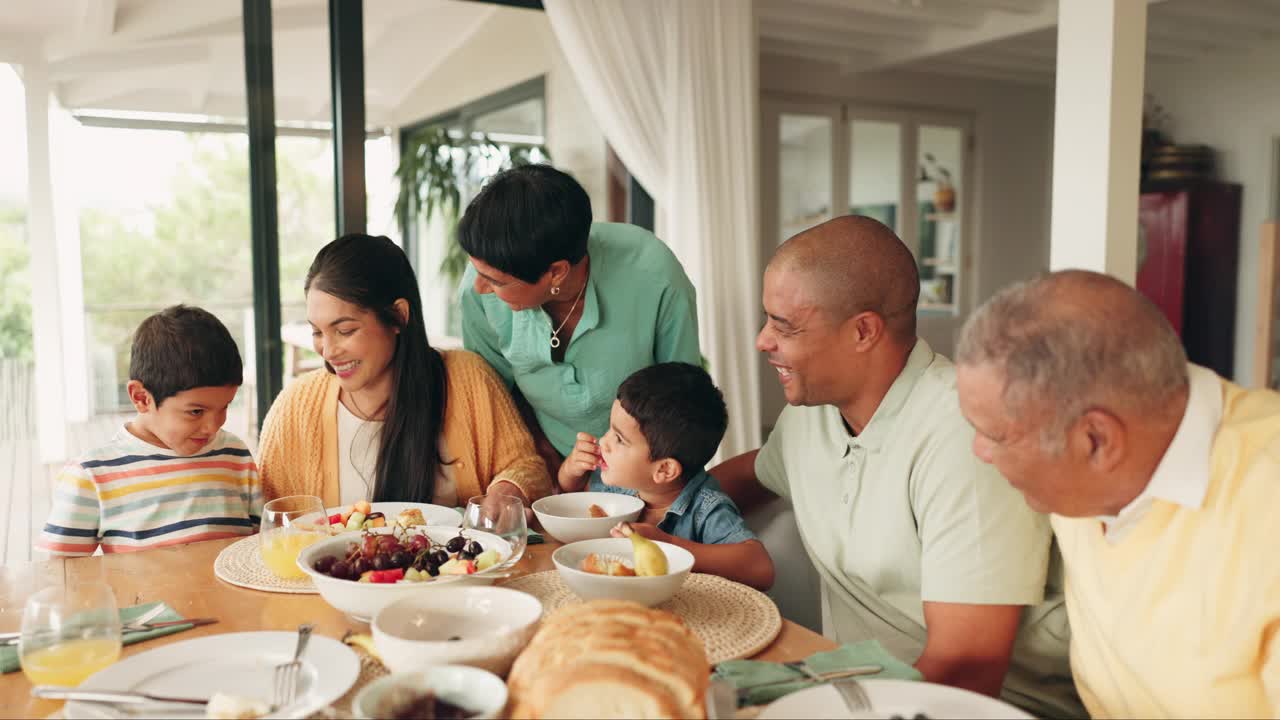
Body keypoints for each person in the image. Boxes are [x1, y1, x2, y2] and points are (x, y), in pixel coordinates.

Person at [711, 216, 1081, 717]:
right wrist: (659, 515)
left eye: (784, 326)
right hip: (856, 687)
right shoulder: (813, 416)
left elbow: (967, 669)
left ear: (863, 331)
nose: (762, 341)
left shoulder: (966, 434)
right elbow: (754, 473)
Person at [954, 270, 1280, 718]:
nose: (980, 451)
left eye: (994, 435)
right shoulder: (1085, 476)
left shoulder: (1266, 506)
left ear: (1097, 441)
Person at [258, 234, 551, 508]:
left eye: (345, 330)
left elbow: (527, 467)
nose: (329, 350)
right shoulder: (295, 408)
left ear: (399, 315)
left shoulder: (467, 378)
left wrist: (507, 490)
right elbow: (267, 523)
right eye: (318, 332)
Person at [457, 164, 701, 475]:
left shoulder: (654, 277)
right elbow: (494, 394)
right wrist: (541, 455)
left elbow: (683, 405)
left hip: (643, 470)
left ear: (556, 272)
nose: (481, 288)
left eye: (496, 282)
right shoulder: (479, 288)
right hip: (538, 461)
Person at [39, 305, 261, 556]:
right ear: (141, 397)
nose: (214, 425)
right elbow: (61, 573)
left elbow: (261, 543)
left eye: (225, 406)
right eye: (196, 412)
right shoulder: (91, 475)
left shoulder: (235, 455)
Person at [558, 362, 774, 590]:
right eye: (610, 429)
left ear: (664, 470)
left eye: (619, 439)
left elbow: (761, 568)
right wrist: (571, 471)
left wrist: (669, 544)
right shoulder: (622, 488)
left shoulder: (705, 508)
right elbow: (570, 504)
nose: (604, 442)